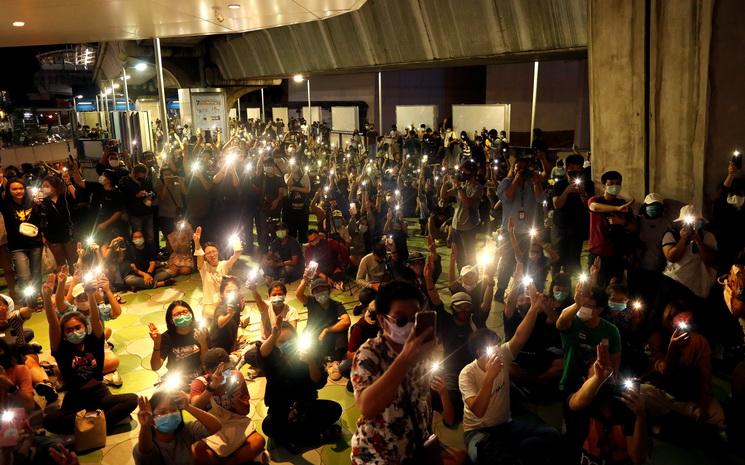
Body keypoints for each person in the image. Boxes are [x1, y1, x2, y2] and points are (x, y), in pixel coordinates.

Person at [459, 288, 561, 465]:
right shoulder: (467, 374)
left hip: (505, 425)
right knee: (481, 457)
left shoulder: (501, 354)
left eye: (497, 345)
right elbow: (478, 410)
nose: (496, 351)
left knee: (551, 435)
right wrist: (489, 378)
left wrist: (534, 308)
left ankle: (513, 451)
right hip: (478, 431)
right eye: (491, 348)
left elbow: (520, 337)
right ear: (478, 352)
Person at [351, 280, 438, 464]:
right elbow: (366, 407)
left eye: (415, 318)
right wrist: (405, 359)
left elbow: (423, 395)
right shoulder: (369, 353)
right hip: (378, 452)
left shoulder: (421, 350)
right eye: (401, 319)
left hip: (413, 445)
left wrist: (427, 431)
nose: (409, 325)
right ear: (383, 321)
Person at [41, 274, 137, 435]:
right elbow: (53, 323)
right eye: (69, 330)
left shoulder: (94, 343)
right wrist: (46, 297)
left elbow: (95, 319)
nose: (74, 332)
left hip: (99, 394)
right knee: (47, 420)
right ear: (64, 334)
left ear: (85, 327)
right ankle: (99, 422)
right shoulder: (62, 349)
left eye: (77, 327)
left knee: (132, 400)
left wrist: (92, 295)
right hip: (75, 398)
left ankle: (87, 424)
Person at [556, 278, 622, 454]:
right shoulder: (573, 322)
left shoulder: (611, 331)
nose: (583, 308)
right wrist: (576, 305)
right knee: (572, 432)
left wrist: (610, 381)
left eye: (588, 305)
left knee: (591, 434)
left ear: (599, 310)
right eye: (581, 304)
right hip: (571, 384)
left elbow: (615, 364)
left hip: (599, 390)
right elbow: (561, 321)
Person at [259, 316, 342, 454]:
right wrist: (273, 336)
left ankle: (293, 440)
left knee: (335, 409)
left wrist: (310, 362)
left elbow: (318, 382)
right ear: (275, 344)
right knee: (268, 426)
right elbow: (262, 353)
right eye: (281, 341)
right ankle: (316, 437)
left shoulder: (308, 354)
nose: (287, 344)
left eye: (290, 340)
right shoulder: (272, 359)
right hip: (281, 411)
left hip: (306, 407)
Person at [643, 302, 725, 429]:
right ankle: (677, 422)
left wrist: (703, 406)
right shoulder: (657, 338)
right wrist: (672, 348)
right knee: (641, 393)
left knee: (718, 415)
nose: (686, 324)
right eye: (681, 320)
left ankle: (674, 422)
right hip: (665, 394)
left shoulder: (699, 341)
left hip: (689, 397)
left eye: (689, 321)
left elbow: (705, 376)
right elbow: (665, 371)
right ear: (670, 321)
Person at [568, 343, 649, 465]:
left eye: (609, 374)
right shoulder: (582, 402)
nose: (605, 377)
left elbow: (638, 459)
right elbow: (575, 403)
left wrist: (640, 416)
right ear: (585, 381)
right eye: (596, 374)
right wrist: (598, 378)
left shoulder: (627, 407)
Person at [655, 205, 717, 334]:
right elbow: (672, 257)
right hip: (673, 283)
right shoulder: (671, 234)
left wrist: (698, 240)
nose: (691, 224)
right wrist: (683, 239)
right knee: (665, 317)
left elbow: (710, 261)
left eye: (695, 221)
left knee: (692, 323)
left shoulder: (707, 236)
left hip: (697, 288)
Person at [495, 156, 546, 300]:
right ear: (514, 168)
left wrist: (536, 183)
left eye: (525, 168)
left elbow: (541, 200)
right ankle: (501, 288)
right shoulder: (506, 182)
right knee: (507, 260)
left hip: (528, 231)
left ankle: (522, 289)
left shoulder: (532, 182)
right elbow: (506, 198)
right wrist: (516, 181)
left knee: (526, 261)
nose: (522, 171)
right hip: (509, 230)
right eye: (519, 168)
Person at [133, 390, 222, 465]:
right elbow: (145, 452)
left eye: (173, 410)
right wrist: (145, 427)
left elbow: (215, 426)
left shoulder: (185, 430)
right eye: (162, 412)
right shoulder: (147, 442)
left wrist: (188, 406)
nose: (170, 415)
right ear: (152, 419)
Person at [587, 171, 636, 287]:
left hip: (617, 254)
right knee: (595, 286)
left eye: (618, 183)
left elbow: (634, 228)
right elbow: (594, 207)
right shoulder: (596, 200)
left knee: (614, 287)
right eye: (612, 183)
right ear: (604, 185)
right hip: (598, 252)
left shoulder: (623, 204)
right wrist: (617, 209)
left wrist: (622, 222)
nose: (615, 186)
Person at [1, 178, 43, 304]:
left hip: (35, 243)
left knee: (36, 273)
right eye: (14, 189)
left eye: (21, 188)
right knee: (23, 276)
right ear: (8, 191)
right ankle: (29, 299)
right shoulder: (6, 205)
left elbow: (40, 219)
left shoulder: (32, 201)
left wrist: (40, 205)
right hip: (17, 246)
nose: (18, 191)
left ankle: (37, 297)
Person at [148, 300, 210, 386]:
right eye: (177, 314)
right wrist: (157, 344)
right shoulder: (167, 337)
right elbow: (155, 367)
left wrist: (203, 342)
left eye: (185, 312)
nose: (182, 316)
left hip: (199, 375)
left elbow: (207, 361)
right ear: (171, 320)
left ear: (191, 313)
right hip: (176, 377)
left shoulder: (201, 330)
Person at [551, 154, 592, 277]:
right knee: (556, 259)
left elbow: (589, 206)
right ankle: (555, 285)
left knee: (573, 261)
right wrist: (566, 191)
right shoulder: (559, 184)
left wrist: (583, 193)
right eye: (571, 169)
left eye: (577, 168)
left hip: (576, 228)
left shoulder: (588, 184)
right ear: (567, 169)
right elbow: (557, 204)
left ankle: (570, 288)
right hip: (560, 228)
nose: (574, 171)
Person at [628, 193, 673, 305]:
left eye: (657, 205)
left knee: (653, 300)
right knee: (637, 300)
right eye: (651, 205)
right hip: (638, 268)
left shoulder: (666, 223)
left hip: (658, 269)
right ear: (645, 206)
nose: (654, 207)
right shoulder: (638, 220)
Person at [295, 277, 351, 366]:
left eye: (323, 289)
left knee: (342, 331)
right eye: (317, 291)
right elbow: (298, 295)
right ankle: (320, 359)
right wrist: (305, 280)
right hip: (313, 333)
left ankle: (336, 361)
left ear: (328, 291)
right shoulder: (311, 301)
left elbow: (346, 321)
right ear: (313, 294)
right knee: (305, 352)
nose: (320, 293)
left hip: (329, 334)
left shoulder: (336, 304)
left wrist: (326, 330)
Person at [193, 226, 242, 321]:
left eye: (214, 251)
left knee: (237, 301)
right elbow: (199, 257)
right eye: (208, 253)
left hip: (224, 302)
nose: (212, 255)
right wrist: (197, 243)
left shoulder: (224, 265)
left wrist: (237, 247)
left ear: (218, 252)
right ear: (205, 256)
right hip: (210, 305)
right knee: (206, 312)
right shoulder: (204, 267)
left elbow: (235, 256)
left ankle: (226, 317)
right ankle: (228, 317)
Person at [441, 160, 483, 269]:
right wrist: (445, 183)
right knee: (458, 255)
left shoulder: (477, 187)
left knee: (469, 255)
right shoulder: (462, 185)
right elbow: (444, 196)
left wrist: (459, 187)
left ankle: (472, 279)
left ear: (471, 172)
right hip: (456, 226)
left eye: (464, 170)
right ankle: (461, 276)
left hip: (468, 227)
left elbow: (468, 202)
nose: (462, 173)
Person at [340, 300, 380, 391]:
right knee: (345, 368)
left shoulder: (389, 325)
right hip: (367, 359)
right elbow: (350, 353)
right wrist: (369, 355)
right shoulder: (359, 328)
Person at [40, 175, 76, 269]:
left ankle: (77, 280)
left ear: (55, 187)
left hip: (67, 232)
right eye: (43, 186)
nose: (44, 188)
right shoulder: (43, 202)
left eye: (47, 186)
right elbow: (40, 219)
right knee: (60, 262)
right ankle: (63, 281)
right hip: (52, 235)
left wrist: (68, 182)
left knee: (73, 260)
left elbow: (76, 198)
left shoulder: (64, 198)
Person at [118, 164, 157, 246]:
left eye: (144, 177)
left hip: (148, 212)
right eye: (140, 177)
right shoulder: (124, 181)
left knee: (150, 236)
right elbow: (123, 199)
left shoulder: (146, 180)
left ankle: (151, 255)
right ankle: (139, 255)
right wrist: (136, 196)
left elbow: (153, 192)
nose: (142, 179)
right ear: (133, 174)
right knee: (138, 237)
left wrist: (150, 196)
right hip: (135, 214)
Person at [208, 277, 248, 354]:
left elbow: (236, 321)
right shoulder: (221, 306)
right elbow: (220, 323)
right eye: (228, 291)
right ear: (222, 294)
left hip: (230, 342)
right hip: (218, 347)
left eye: (235, 291)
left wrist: (234, 341)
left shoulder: (236, 303)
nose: (232, 294)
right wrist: (229, 314)